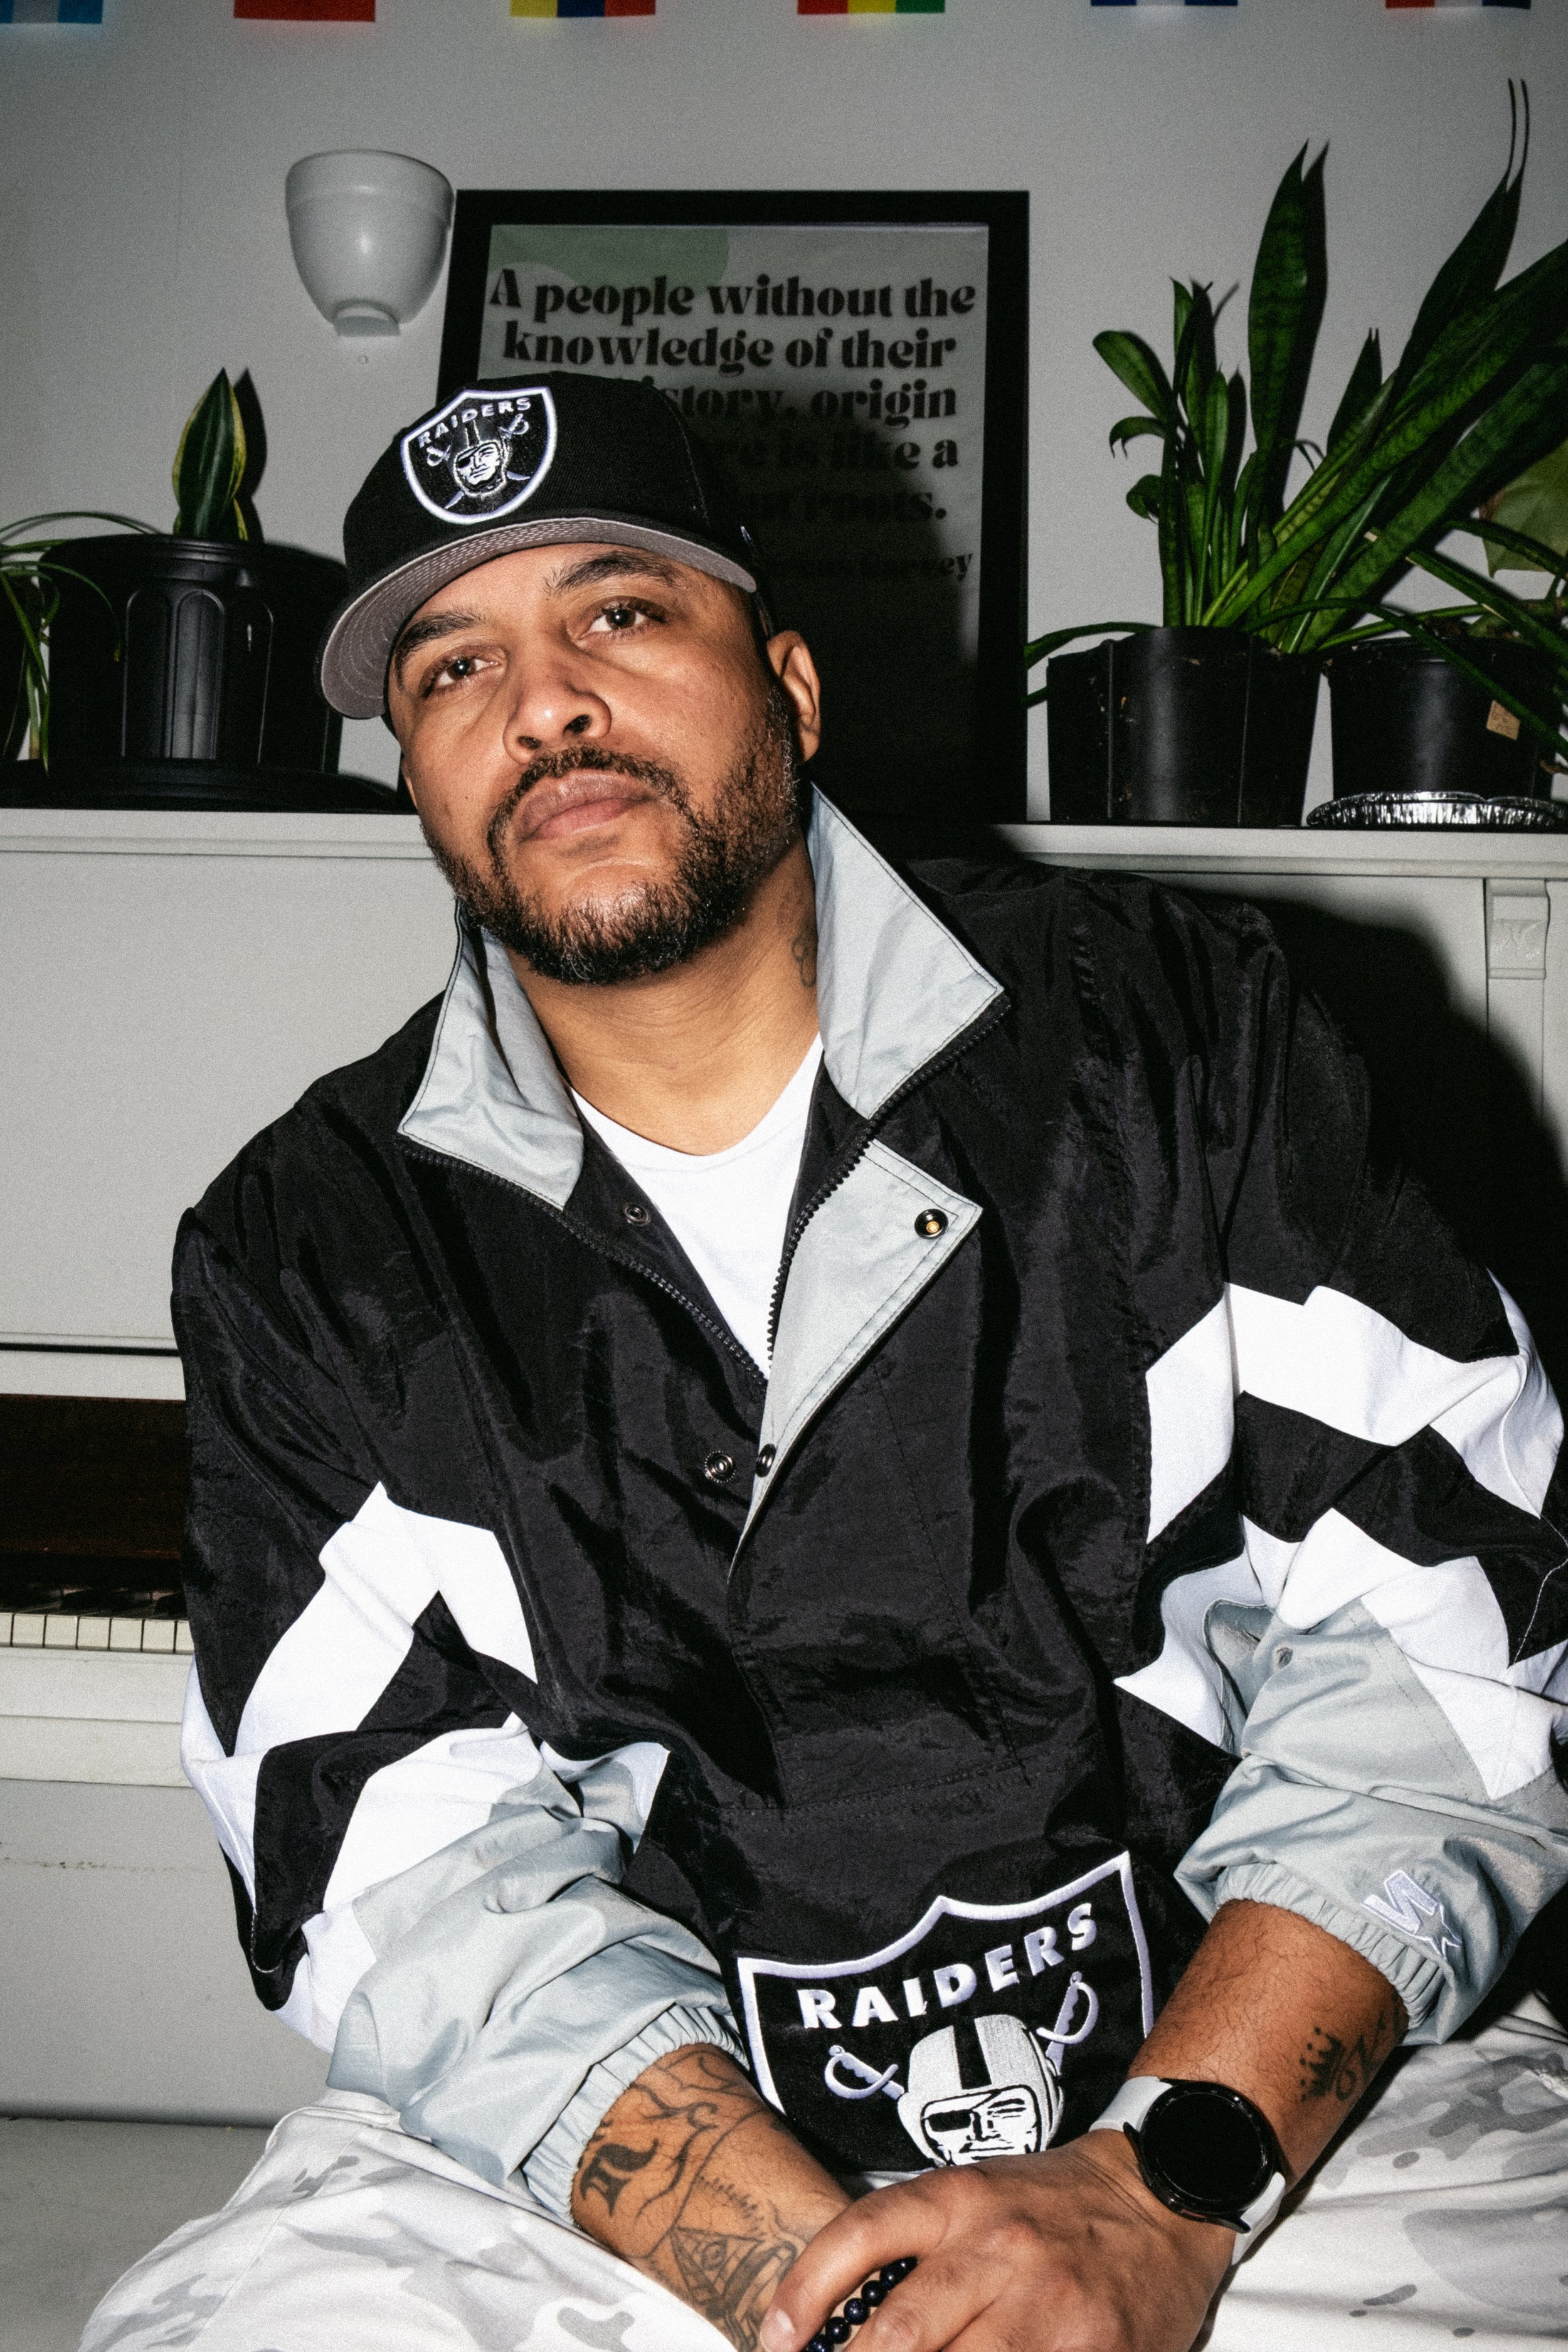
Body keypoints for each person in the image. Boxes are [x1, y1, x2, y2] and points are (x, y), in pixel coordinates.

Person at [85, 374, 1568, 2352]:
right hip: (640, 2157)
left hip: (1249, 2116)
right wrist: (828, 2288)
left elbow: (1439, 1659)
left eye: (617, 615)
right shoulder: (307, 1244)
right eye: (452, 667)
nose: (540, 707)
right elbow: (407, 1870)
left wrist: (1147, 2200)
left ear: (786, 682)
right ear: (421, 773)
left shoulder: (1179, 1039)